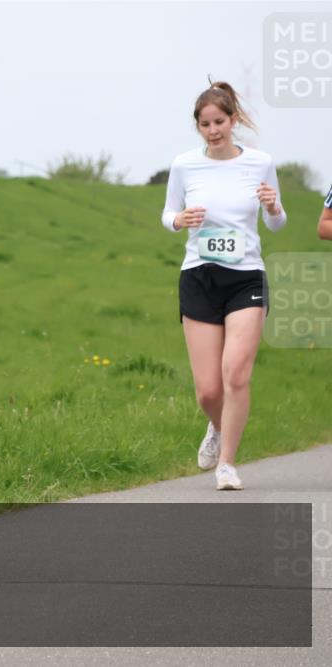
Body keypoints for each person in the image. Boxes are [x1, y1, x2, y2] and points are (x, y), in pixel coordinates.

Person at [162, 80, 286, 491]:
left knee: (236, 375)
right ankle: (216, 428)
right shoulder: (184, 165)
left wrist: (272, 206)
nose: (213, 130)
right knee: (208, 390)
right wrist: (180, 221)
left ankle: (228, 464)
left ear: (233, 120)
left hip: (246, 276)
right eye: (205, 124)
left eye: (219, 121)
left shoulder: (260, 162)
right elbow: (168, 215)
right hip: (199, 275)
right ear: (197, 127)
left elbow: (277, 222)